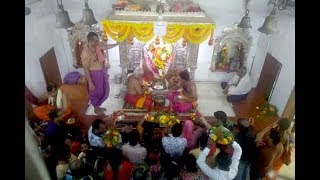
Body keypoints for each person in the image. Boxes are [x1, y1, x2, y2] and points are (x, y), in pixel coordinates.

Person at [81, 32, 118, 115]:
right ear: (90, 41)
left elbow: (105, 46)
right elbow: (86, 69)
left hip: (101, 72)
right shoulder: (85, 53)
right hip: (94, 75)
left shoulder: (95, 46)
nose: (98, 43)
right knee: (95, 93)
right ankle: (96, 109)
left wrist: (116, 44)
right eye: (96, 41)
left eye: (98, 41)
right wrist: (90, 83)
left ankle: (98, 106)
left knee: (104, 90)